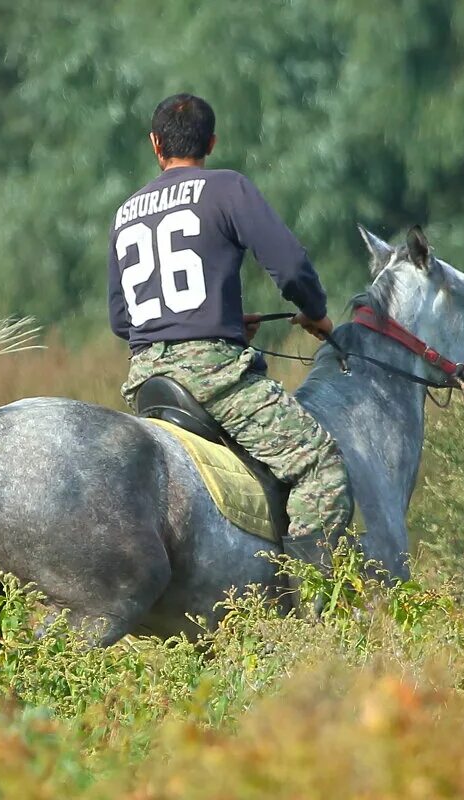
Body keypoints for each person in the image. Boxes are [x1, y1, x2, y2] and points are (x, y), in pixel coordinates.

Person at [107, 93, 351, 608]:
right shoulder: (227, 188)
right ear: (211, 142)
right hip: (214, 378)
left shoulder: (126, 212)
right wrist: (315, 311)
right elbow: (289, 266)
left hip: (147, 380)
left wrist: (214, 320)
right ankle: (306, 616)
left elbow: (121, 319)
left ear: (156, 145)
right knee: (320, 467)